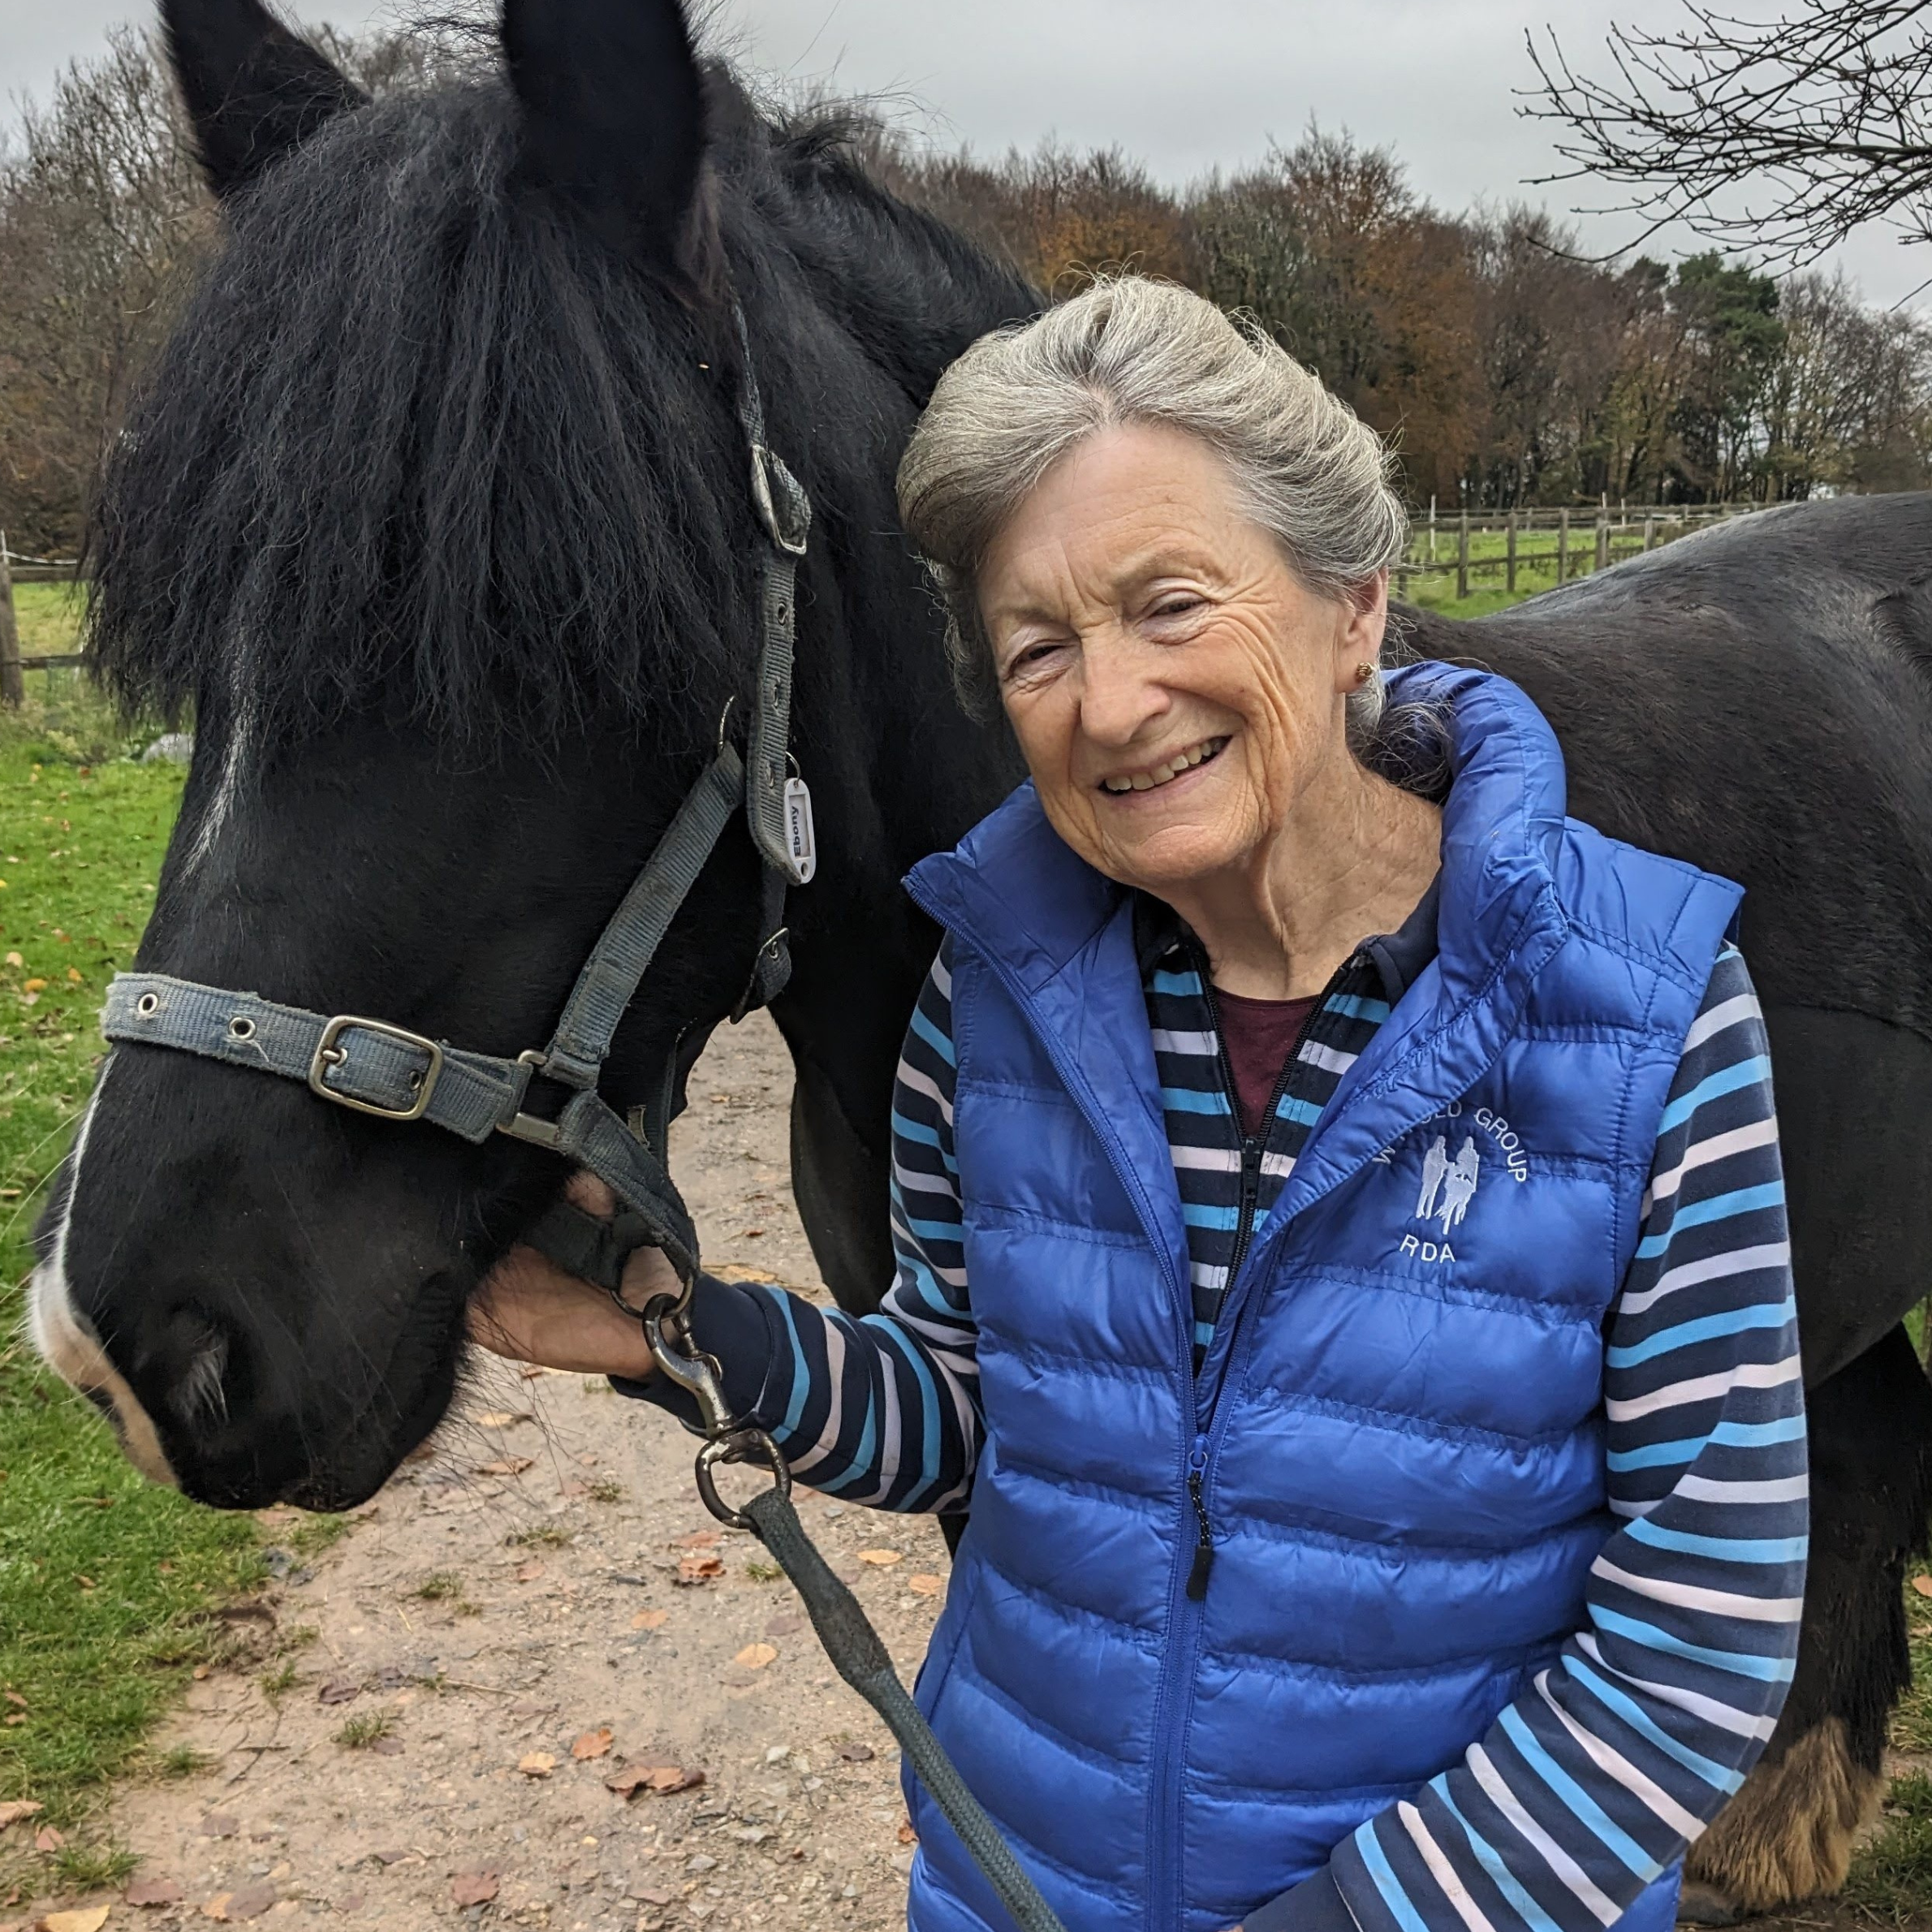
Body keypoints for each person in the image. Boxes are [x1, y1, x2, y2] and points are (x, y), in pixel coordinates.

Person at [472, 278, 1805, 1932]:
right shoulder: (999, 988)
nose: (1108, 703)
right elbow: (962, 1407)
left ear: (1352, 609)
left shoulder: (1640, 1009)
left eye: (1171, 603)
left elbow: (1701, 1629)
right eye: (1039, 646)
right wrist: (680, 1333)